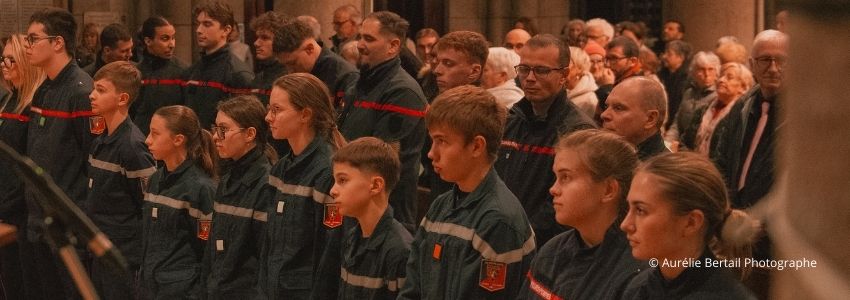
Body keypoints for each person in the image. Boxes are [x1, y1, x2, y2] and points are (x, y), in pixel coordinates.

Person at [398, 85, 535, 299]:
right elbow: (413, 285)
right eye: (433, 141)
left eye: (442, 141)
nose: (431, 153)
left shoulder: (499, 220)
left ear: (476, 146)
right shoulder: (441, 205)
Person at [496, 34, 596, 246]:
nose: (530, 78)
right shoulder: (512, 119)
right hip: (501, 239)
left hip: (542, 245)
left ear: (564, 75)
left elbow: (569, 203)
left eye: (541, 70)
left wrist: (522, 237)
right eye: (524, 69)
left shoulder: (578, 131)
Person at [23, 8, 96, 299]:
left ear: (57, 43)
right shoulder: (44, 90)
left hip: (67, 225)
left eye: (33, 39)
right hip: (39, 220)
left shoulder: (81, 91)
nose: (27, 46)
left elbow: (91, 161)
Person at [519, 129, 642, 299]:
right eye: (556, 177)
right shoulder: (552, 250)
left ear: (608, 190)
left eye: (566, 177)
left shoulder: (636, 274)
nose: (553, 189)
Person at [620, 152, 758, 299]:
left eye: (641, 210)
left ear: (691, 222)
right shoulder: (637, 288)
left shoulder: (727, 295)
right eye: (629, 208)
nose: (625, 224)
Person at [258, 73, 346, 299]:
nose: (268, 117)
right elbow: (269, 243)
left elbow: (330, 253)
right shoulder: (280, 169)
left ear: (305, 114)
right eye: (269, 109)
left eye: (277, 110)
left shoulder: (328, 172)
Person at [338, 11, 427, 232]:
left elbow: (380, 159)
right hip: (356, 203)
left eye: (369, 39)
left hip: (386, 213)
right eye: (359, 37)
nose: (359, 44)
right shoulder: (361, 83)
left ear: (393, 46)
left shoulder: (402, 91)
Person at [85, 61, 156, 299]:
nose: (92, 95)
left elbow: (146, 203)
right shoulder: (101, 140)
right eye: (94, 88)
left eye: (101, 90)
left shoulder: (133, 146)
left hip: (123, 256)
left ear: (122, 98)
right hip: (101, 248)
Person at [141, 105, 217, 298]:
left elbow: (207, 253)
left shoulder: (201, 188)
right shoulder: (156, 179)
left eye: (155, 134)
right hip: (151, 286)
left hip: (182, 291)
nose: (147, 140)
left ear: (178, 140)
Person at [204, 95, 275, 299]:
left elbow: (265, 257)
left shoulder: (265, 184)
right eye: (215, 128)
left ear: (250, 134)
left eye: (223, 129)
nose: (215, 137)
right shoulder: (227, 177)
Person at [331, 137, 413, 299]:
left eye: (342, 180)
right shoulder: (352, 237)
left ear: (376, 186)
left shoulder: (400, 251)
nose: (333, 190)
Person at [0, 33, 45, 300]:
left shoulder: (32, 106)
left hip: (19, 209)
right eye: (2, 59)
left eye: (11, 60)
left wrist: (7, 205)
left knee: (22, 285)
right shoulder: (7, 100)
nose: (4, 65)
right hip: (4, 203)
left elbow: (30, 163)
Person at [185, 1, 254, 128]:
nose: (199, 30)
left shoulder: (238, 73)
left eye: (207, 24)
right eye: (198, 24)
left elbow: (242, 126)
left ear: (226, 30)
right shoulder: (193, 70)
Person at [277, 17, 358, 110]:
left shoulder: (346, 76)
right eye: (285, 65)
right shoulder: (301, 71)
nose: (290, 71)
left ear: (310, 49)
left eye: (293, 63)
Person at [133, 16, 187, 136]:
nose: (171, 44)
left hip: (172, 140)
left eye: (173, 38)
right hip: (142, 139)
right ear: (148, 41)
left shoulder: (182, 72)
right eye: (165, 39)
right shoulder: (136, 73)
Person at [685, 62, 753, 154]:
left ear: (743, 88)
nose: (721, 80)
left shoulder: (741, 117)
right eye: (721, 76)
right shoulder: (702, 110)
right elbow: (685, 141)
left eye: (729, 77)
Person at [601, 77, 669, 160]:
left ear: (650, 119)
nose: (604, 115)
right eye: (606, 106)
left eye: (618, 108)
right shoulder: (605, 154)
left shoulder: (663, 171)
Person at [665, 51, 719, 145]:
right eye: (701, 70)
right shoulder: (689, 93)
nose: (706, 74)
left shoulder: (718, 97)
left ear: (717, 72)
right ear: (693, 72)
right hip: (681, 145)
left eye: (711, 69)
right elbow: (677, 123)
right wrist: (668, 142)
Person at [250, 11, 287, 104]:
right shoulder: (258, 78)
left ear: (281, 40)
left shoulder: (289, 80)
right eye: (257, 37)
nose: (256, 43)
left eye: (265, 38)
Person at [658, 40, 692, 130]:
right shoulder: (662, 73)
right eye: (665, 53)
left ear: (681, 58)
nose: (664, 56)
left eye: (669, 54)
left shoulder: (686, 79)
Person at [566, 46, 600, 117]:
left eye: (566, 63)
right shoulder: (560, 88)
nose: (560, 67)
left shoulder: (589, 100)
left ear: (579, 68)